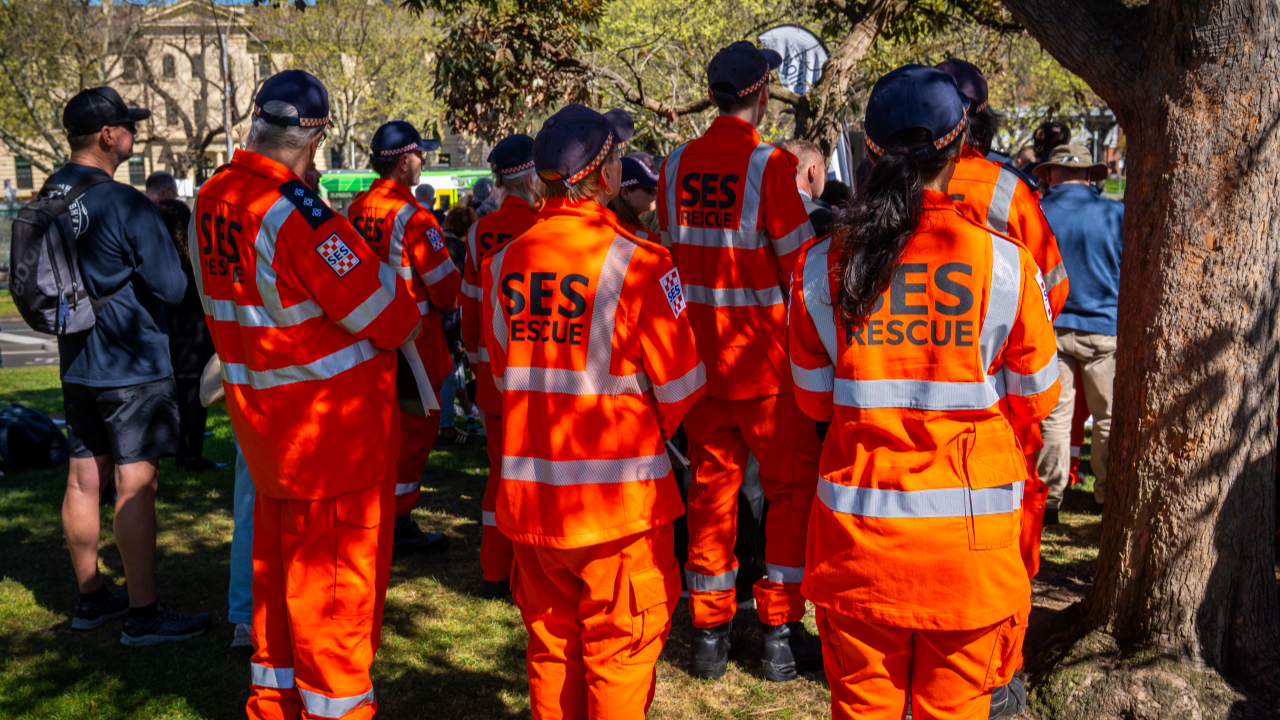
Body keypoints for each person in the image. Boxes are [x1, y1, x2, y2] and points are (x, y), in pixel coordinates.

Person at [788, 64, 1059, 720]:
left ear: (869, 149)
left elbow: (813, 403)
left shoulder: (823, 264)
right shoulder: (1004, 263)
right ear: (961, 144)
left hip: (859, 552)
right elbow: (1037, 399)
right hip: (969, 560)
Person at [194, 70, 422, 719]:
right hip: (335, 444)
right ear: (313, 137)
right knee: (335, 616)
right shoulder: (297, 211)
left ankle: (274, 708)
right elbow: (392, 314)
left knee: (276, 610)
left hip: (268, 438)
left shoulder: (211, 196)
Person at [481, 103, 705, 720]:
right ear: (605, 175)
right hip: (621, 509)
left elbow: (505, 376)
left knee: (552, 651)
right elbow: (683, 387)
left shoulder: (503, 263)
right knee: (622, 655)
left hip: (532, 502)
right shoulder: (643, 262)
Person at [656, 40, 824, 682]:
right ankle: (778, 634)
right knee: (787, 493)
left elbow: (668, 265)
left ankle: (708, 635)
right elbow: (802, 267)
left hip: (700, 370)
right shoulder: (771, 166)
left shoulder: (673, 166)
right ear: (761, 95)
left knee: (710, 493)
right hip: (762, 368)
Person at [51, 86, 210, 645]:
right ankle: (143, 614)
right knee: (136, 482)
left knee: (81, 476)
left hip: (75, 361)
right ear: (106, 136)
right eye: (128, 126)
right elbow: (171, 285)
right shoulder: (123, 202)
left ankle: (91, 598)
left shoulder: (49, 195)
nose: (134, 134)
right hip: (131, 363)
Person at [344, 120, 460, 556]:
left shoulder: (357, 206)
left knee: (382, 431)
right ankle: (398, 520)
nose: (424, 161)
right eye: (419, 154)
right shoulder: (414, 216)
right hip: (414, 347)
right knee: (415, 431)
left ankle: (378, 512)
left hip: (371, 341)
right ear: (403, 160)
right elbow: (446, 291)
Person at [460, 132, 544, 598]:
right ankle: (529, 569)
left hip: (491, 379)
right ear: (533, 179)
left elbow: (469, 309)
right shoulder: (539, 229)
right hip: (538, 377)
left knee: (499, 475)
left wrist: (475, 365)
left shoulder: (477, 232)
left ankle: (494, 568)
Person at [936, 58, 1069, 318]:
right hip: (993, 353)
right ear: (984, 122)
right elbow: (1054, 289)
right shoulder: (1012, 190)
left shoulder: (894, 184)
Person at [1033, 144, 1123, 520]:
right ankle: (1107, 496)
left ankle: (1050, 499)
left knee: (1055, 415)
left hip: (1052, 328)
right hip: (1104, 329)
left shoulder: (1038, 213)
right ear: (1090, 176)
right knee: (1108, 416)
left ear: (1051, 174)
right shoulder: (1116, 213)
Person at [156, 198, 224, 472]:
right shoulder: (197, 255)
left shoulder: (158, 258)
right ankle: (194, 456)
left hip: (168, 336)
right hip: (196, 334)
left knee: (176, 396)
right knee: (196, 397)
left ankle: (180, 451)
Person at [440, 204, 479, 445]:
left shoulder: (440, 239)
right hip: (450, 314)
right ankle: (447, 426)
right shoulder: (461, 248)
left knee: (450, 370)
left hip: (430, 311)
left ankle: (461, 418)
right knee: (449, 370)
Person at [778, 139, 832, 237]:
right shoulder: (827, 220)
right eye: (823, 170)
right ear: (813, 170)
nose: (825, 178)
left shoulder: (761, 212)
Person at [607, 156, 659, 241]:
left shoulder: (603, 225)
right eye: (649, 188)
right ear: (625, 194)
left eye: (654, 187)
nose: (655, 192)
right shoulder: (645, 239)